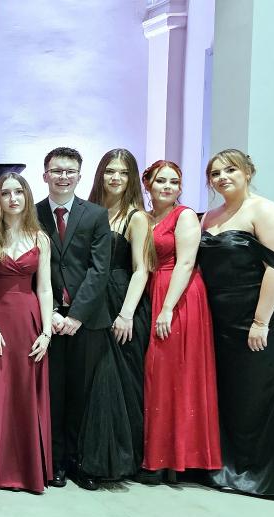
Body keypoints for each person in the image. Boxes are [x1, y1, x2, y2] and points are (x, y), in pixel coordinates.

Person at [198, 149, 274, 497]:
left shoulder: (265, 210)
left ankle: (264, 475)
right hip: (222, 319)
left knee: (259, 393)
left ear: (248, 172)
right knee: (233, 393)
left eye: (230, 170)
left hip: (262, 315)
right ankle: (229, 469)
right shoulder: (209, 217)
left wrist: (261, 321)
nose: (222, 177)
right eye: (215, 173)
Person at [0, 173, 54, 494]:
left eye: (19, 192)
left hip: (29, 323)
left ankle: (26, 472)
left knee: (24, 393)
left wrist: (46, 331)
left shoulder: (40, 239)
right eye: (6, 193)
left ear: (27, 197)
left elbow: (44, 288)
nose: (13, 198)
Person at [35, 147, 115, 490]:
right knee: (52, 394)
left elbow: (99, 270)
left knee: (83, 394)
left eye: (70, 171)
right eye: (57, 170)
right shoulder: (33, 213)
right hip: (47, 319)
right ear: (45, 175)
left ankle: (82, 462)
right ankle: (54, 463)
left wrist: (77, 315)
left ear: (80, 176)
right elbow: (32, 271)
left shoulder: (95, 215)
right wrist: (52, 312)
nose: (63, 177)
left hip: (88, 320)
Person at [141, 160, 222, 479]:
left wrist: (167, 308)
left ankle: (180, 459)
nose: (168, 187)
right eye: (161, 180)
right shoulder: (145, 217)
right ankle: (158, 455)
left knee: (174, 371)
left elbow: (186, 263)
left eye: (174, 182)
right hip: (154, 290)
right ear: (147, 184)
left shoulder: (185, 215)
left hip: (180, 296)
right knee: (157, 374)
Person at [87, 149, 152, 480]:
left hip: (122, 302)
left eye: (124, 173)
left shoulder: (136, 217)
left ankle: (121, 461)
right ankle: (92, 458)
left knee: (122, 383)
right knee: (95, 381)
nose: (116, 178)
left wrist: (126, 314)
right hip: (93, 302)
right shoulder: (92, 210)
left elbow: (142, 269)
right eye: (110, 171)